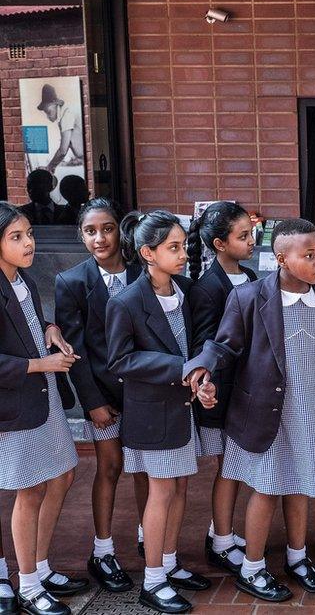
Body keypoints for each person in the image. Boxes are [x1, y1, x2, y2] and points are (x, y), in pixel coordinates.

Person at [184, 218, 315, 603]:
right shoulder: (249, 297)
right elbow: (224, 345)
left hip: (307, 408)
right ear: (281, 259)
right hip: (265, 410)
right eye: (308, 255)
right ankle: (252, 568)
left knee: (300, 484)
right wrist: (202, 366)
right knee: (267, 488)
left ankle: (297, 557)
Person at [106, 210, 216, 614]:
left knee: (181, 486)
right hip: (153, 412)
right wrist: (179, 368)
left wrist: (201, 374)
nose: (183, 253)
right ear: (147, 253)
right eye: (173, 247)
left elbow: (202, 340)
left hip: (182, 408)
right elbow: (119, 361)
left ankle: (168, 563)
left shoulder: (186, 290)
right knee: (162, 490)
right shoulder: (127, 302)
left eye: (184, 245)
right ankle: (152, 580)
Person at [55, 198, 148, 593]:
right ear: (81, 235)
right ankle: (103, 550)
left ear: (120, 230)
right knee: (110, 466)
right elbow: (75, 351)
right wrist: (92, 402)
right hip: (102, 396)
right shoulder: (72, 282)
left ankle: (151, 537)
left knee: (148, 469)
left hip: (144, 394)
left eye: (107, 228)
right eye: (90, 231)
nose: (100, 238)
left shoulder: (143, 273)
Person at [0, 201, 87, 615]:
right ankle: (29, 584)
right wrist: (42, 364)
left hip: (44, 396)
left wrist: (51, 331)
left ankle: (40, 565)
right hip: (15, 403)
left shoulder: (25, 281)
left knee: (63, 476)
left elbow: (33, 323)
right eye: (16, 237)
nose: (29, 242)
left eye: (30, 234)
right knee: (30, 488)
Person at [186, 201, 256, 575]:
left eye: (251, 233)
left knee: (238, 466)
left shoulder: (250, 277)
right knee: (228, 467)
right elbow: (203, 346)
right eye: (242, 236)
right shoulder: (207, 288)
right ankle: (222, 542)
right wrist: (207, 386)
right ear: (218, 244)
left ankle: (221, 530)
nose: (251, 241)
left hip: (249, 390)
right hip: (223, 393)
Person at [37, 84, 84, 175]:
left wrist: (49, 167)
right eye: (46, 113)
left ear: (56, 104)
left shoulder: (67, 113)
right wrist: (52, 166)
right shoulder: (64, 114)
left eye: (48, 112)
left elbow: (63, 151)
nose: (48, 117)